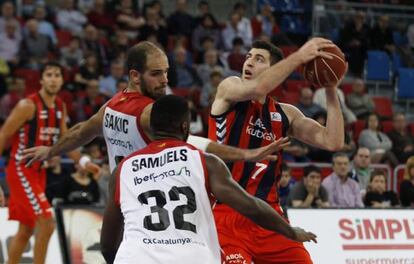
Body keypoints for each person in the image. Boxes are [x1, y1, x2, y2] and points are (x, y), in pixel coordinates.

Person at [100, 95, 316, 264]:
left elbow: (108, 245)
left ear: (152, 127)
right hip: (192, 257)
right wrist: (290, 231)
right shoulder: (204, 161)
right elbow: (252, 207)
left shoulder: (123, 169)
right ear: (185, 127)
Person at [23, 42, 289, 175]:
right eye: (156, 74)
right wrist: (246, 154)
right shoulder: (150, 112)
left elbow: (81, 131)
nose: (165, 80)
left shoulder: (113, 106)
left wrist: (51, 150)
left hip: (124, 202)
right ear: (135, 76)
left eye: (166, 72)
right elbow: (197, 143)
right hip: (153, 215)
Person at [208, 38, 344, 263]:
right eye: (248, 57)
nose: (249, 62)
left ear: (275, 71)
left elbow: (333, 141)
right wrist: (300, 56)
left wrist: (331, 87)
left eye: (259, 59)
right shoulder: (229, 89)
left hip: (270, 217)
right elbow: (259, 87)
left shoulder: (285, 114)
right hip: (228, 213)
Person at [0, 62, 99, 264]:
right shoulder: (27, 106)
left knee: (26, 230)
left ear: (62, 80)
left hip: (39, 173)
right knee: (47, 222)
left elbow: (65, 142)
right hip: (22, 170)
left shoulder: (60, 107)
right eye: (49, 74)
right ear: (41, 79)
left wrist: (84, 161)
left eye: (57, 75)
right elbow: (3, 136)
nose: (53, 78)